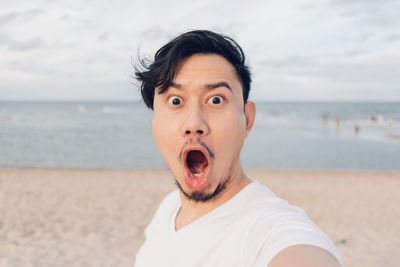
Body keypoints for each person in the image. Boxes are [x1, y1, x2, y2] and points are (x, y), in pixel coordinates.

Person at [133, 30, 343, 267]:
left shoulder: (273, 233)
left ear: (248, 119)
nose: (193, 124)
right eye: (175, 101)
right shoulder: (168, 210)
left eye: (215, 99)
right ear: (154, 120)